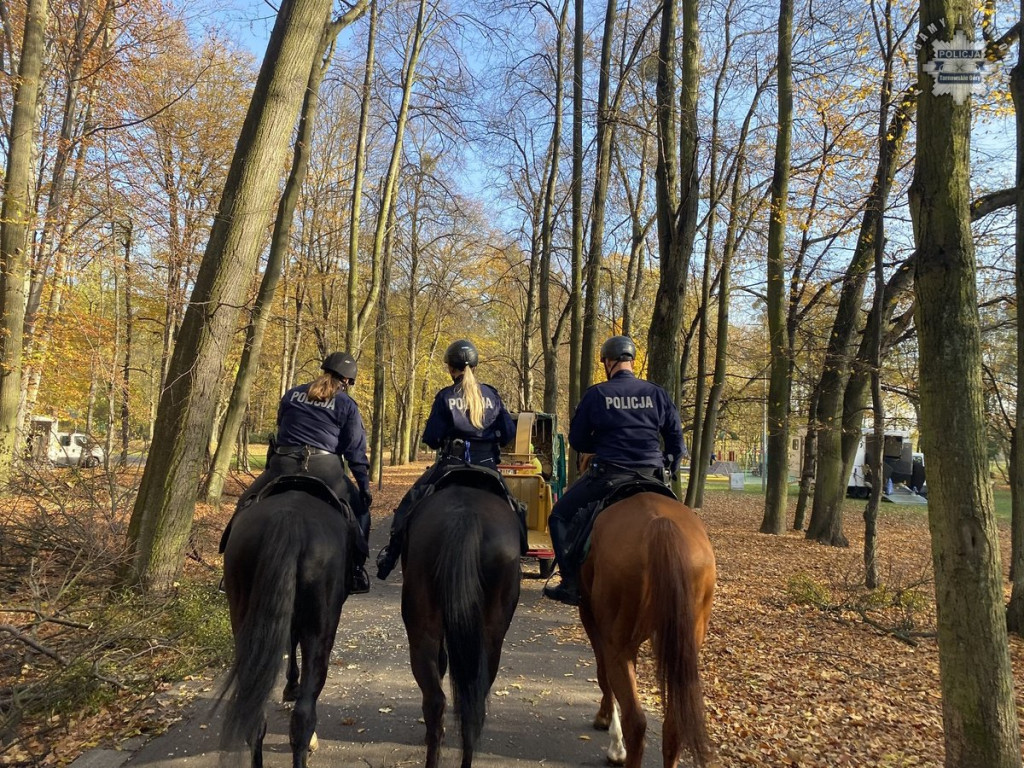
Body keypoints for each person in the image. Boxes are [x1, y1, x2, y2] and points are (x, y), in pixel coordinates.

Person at [543, 335, 684, 606]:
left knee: (559, 515)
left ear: (608, 362)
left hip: (609, 475)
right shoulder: (657, 393)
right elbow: (676, 440)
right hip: (652, 475)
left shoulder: (597, 394)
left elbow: (578, 440)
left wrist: (601, 443)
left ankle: (570, 582)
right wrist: (669, 464)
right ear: (631, 361)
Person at [226, 351, 373, 594]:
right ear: (347, 381)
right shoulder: (346, 404)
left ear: (325, 370)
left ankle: (230, 569)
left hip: (282, 465)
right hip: (324, 470)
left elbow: (282, 425)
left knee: (244, 505)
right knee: (360, 513)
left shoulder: (292, 394)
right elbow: (355, 451)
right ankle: (357, 571)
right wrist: (364, 486)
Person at [375, 339, 516, 579]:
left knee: (408, 505)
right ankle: (517, 557)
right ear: (475, 366)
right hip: (487, 466)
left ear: (451, 368)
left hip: (451, 464)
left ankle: (389, 558)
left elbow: (431, 438)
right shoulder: (492, 395)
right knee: (515, 510)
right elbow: (508, 434)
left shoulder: (445, 396)